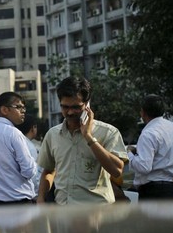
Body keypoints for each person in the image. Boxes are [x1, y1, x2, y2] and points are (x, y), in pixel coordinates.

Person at [37, 76, 127, 205]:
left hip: (96, 213)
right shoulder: (53, 135)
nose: (70, 112)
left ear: (87, 105)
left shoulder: (108, 132)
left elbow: (117, 171)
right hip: (63, 212)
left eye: (76, 107)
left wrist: (89, 137)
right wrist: (41, 198)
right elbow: (48, 171)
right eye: (65, 107)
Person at [128, 94, 173, 201]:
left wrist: (129, 153)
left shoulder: (148, 133)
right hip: (172, 191)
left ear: (143, 112)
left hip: (152, 192)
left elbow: (144, 167)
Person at [16, 114, 43, 194]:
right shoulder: (30, 146)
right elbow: (34, 174)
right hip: (29, 192)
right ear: (33, 128)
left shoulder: (17, 142)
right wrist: (37, 194)